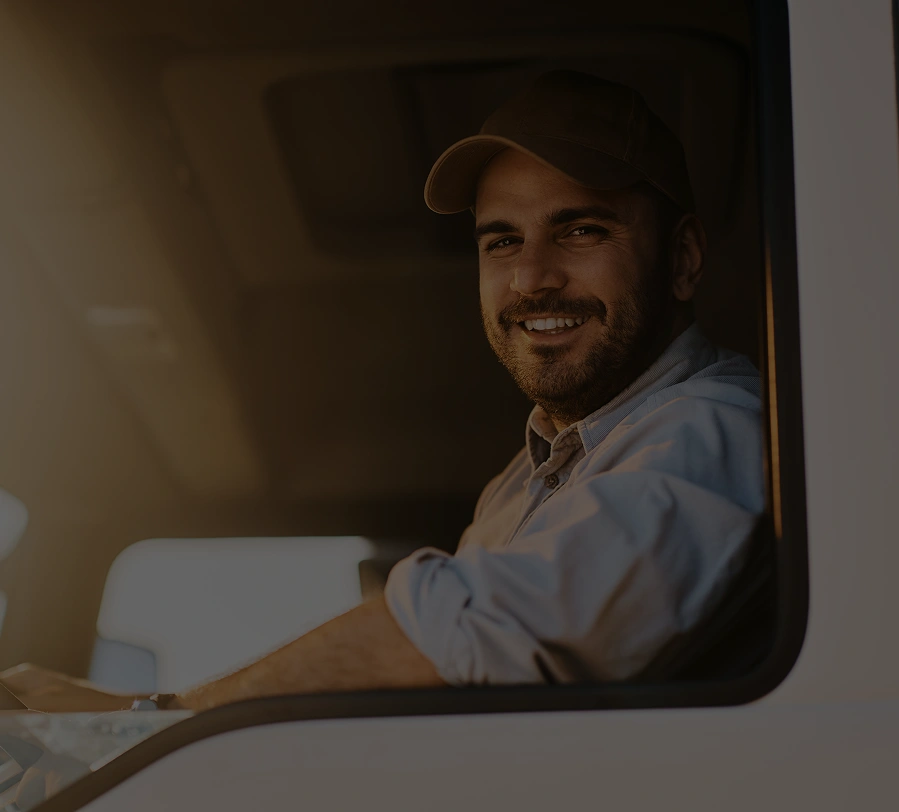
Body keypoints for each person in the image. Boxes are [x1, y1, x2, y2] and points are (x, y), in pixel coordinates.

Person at [3, 70, 764, 712]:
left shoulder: (716, 425)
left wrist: (148, 721)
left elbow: (484, 627)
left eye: (580, 231)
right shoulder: (527, 479)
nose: (530, 277)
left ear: (684, 258)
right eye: (501, 240)